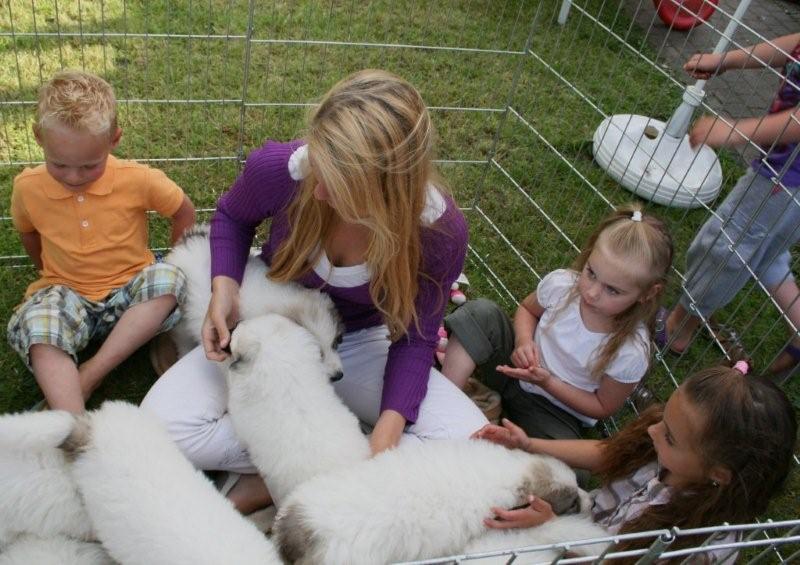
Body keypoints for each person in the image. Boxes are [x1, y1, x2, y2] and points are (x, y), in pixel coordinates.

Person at [141, 69, 488, 514]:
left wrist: (387, 432)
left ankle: (313, 455)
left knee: (471, 443)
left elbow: (416, 337)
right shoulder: (285, 170)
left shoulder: (440, 232)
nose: (318, 190)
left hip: (359, 344)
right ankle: (303, 459)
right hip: (274, 328)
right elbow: (231, 216)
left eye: (338, 185)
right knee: (165, 424)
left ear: (388, 192)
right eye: (318, 169)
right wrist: (224, 288)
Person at [473, 362, 797, 564]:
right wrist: (529, 443)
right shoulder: (661, 445)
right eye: (663, 418)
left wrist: (551, 529)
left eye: (669, 437)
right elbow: (607, 453)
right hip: (579, 526)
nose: (654, 431)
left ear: (718, 474)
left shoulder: (703, 546)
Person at [7, 70, 196, 413]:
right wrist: (48, 272)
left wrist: (173, 256)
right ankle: (72, 421)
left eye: (90, 166)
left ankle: (90, 374)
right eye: (59, 164)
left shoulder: (139, 179)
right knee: (40, 326)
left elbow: (182, 210)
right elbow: (28, 231)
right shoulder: (27, 187)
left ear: (115, 140)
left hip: (129, 287)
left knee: (170, 280)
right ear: (38, 138)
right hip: (66, 291)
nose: (73, 177)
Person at [440, 204, 673, 444]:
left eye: (612, 290)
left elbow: (602, 406)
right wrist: (523, 341)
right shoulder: (563, 285)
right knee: (481, 313)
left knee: (569, 467)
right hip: (511, 367)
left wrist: (548, 383)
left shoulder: (631, 351)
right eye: (591, 273)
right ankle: (445, 400)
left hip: (554, 410)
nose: (592, 293)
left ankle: (508, 440)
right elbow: (528, 310)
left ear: (647, 293)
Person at [661, 33, 800, 378]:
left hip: (784, 179)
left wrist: (735, 130)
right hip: (787, 177)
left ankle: (679, 328)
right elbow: (791, 46)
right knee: (768, 253)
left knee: (725, 247)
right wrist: (726, 60)